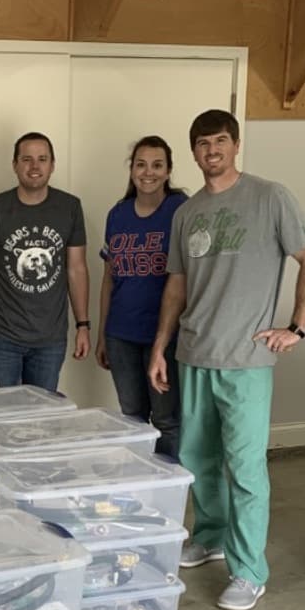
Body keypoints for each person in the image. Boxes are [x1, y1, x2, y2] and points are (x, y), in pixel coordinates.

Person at [148, 109, 305, 610]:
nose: (212, 151)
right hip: (194, 354)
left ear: (236, 144)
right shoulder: (185, 213)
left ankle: (249, 571)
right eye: (203, 144)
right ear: (194, 152)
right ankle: (209, 537)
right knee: (197, 461)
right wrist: (162, 345)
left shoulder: (271, 197)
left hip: (248, 360)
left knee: (245, 470)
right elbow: (176, 284)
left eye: (221, 141)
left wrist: (297, 327)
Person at [0, 132, 90, 392]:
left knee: (41, 421)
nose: (35, 167)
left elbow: (77, 270)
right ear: (15, 165)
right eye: (27, 159)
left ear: (52, 165)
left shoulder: (70, 207)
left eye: (42, 159)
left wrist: (83, 325)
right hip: (1, 337)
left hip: (50, 339)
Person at [96, 135, 186, 457]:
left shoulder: (181, 210)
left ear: (168, 170)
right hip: (121, 334)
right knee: (131, 416)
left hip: (164, 336)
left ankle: (169, 488)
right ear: (131, 170)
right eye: (141, 165)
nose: (148, 172)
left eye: (157, 165)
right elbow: (108, 279)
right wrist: (102, 335)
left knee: (166, 418)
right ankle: (141, 485)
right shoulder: (117, 214)